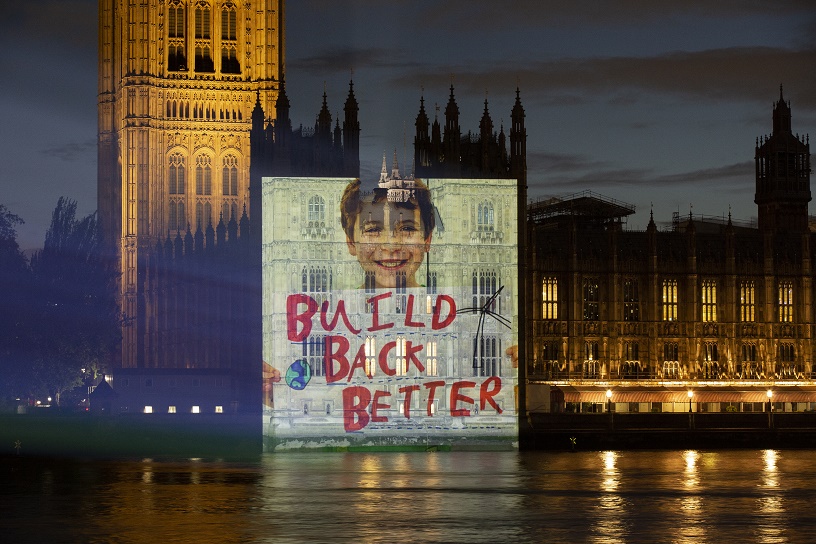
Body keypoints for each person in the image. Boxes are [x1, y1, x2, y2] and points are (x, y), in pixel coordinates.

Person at [340, 178, 435, 289]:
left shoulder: (443, 306)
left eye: (407, 229)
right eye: (373, 230)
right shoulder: (342, 305)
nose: (391, 246)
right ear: (351, 243)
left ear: (427, 240)